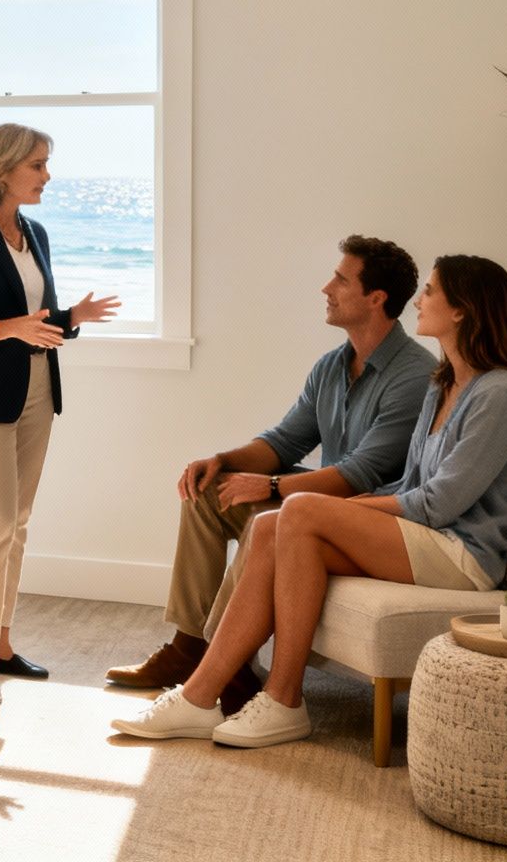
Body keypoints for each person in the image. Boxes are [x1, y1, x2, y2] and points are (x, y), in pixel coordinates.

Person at [111, 254, 507, 747]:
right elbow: (404, 480)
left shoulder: (501, 395)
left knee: (294, 511)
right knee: (276, 526)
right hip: (425, 535)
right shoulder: (444, 383)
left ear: (464, 311)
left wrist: (342, 507)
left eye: (430, 291)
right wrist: (236, 464)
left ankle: (282, 698)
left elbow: (438, 504)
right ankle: (201, 696)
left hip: (462, 554)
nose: (420, 301)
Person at [105, 236, 435, 714]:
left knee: (263, 510)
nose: (327, 287)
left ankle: (227, 660)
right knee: (208, 492)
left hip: (362, 519)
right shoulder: (331, 367)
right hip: (317, 504)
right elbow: (284, 441)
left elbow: (360, 473)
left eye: (341, 279)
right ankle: (188, 646)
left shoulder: (413, 376)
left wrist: (273, 486)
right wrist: (223, 460)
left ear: (376, 298)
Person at [0, 123, 121, 706]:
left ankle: (5, 645)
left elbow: (36, 318)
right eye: (37, 164)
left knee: (19, 520)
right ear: (4, 168)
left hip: (38, 385)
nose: (46, 175)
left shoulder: (34, 232)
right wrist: (13, 328)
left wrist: (73, 316)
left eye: (45, 164)